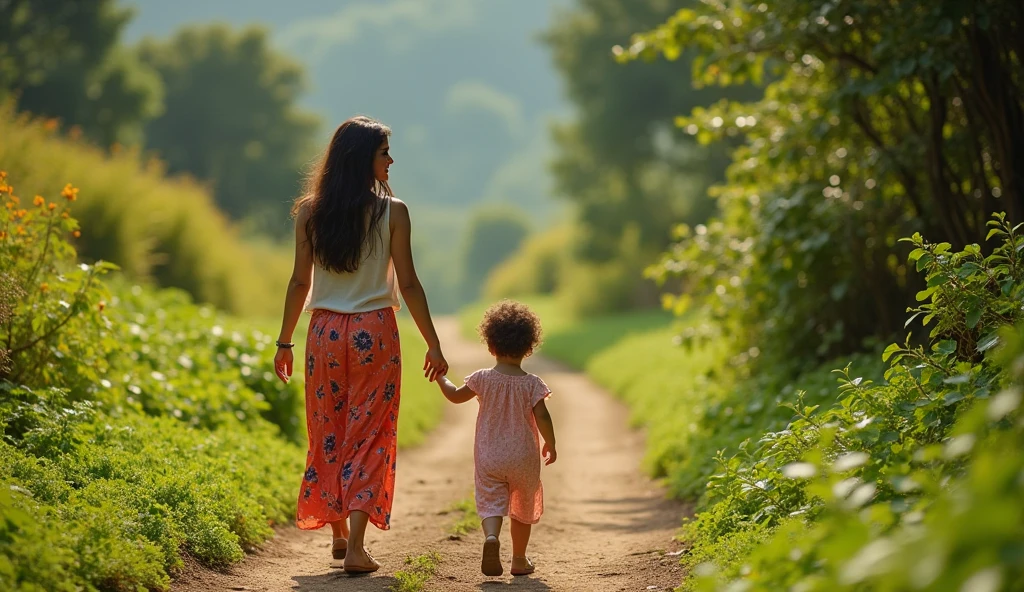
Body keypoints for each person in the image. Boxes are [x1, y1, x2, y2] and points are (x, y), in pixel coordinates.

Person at [273, 116, 448, 574]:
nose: (391, 160)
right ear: (362, 158)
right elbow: (408, 284)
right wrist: (433, 344)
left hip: (325, 334)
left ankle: (335, 533)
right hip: (376, 331)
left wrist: (285, 340)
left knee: (327, 427)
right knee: (369, 433)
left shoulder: (312, 211)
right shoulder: (394, 212)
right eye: (383, 152)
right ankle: (354, 545)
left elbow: (298, 281)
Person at [434, 300, 557, 577]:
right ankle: (519, 559)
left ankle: (491, 537)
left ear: (491, 345)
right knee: (522, 505)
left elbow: (455, 396)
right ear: (529, 347)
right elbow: (544, 417)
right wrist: (550, 442)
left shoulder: (482, 379)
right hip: (523, 457)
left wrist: (441, 377)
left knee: (491, 501)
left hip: (490, 456)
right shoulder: (533, 383)